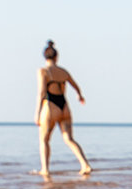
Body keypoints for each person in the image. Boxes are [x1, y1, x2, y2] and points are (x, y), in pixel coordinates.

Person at [36, 41, 92, 178]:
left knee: (44, 140)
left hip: (51, 106)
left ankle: (45, 169)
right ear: (56, 57)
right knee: (69, 138)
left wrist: (37, 113)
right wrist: (80, 96)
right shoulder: (63, 71)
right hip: (64, 107)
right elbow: (75, 86)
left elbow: (42, 92)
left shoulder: (43, 71)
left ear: (45, 57)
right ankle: (85, 164)